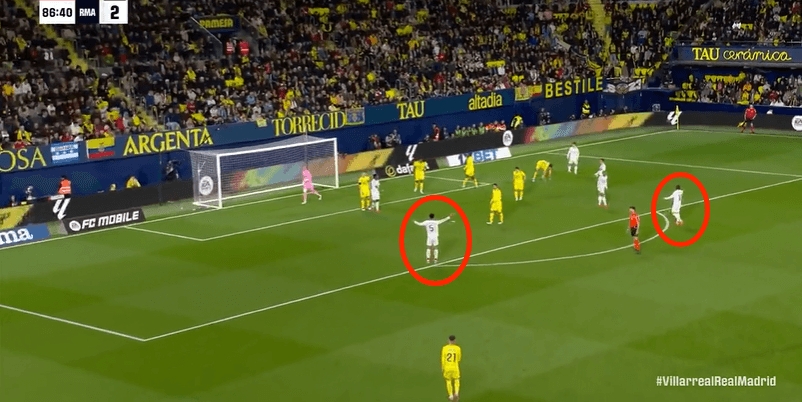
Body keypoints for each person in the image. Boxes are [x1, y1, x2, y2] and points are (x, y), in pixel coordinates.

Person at [441, 335, 462, 401]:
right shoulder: (458, 348)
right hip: (455, 367)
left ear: (448, 340)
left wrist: (443, 367)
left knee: (448, 380)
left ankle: (451, 395)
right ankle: (456, 392)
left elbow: (443, 359)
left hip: (447, 367)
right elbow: (459, 359)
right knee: (456, 379)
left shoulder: (444, 348)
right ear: (455, 341)